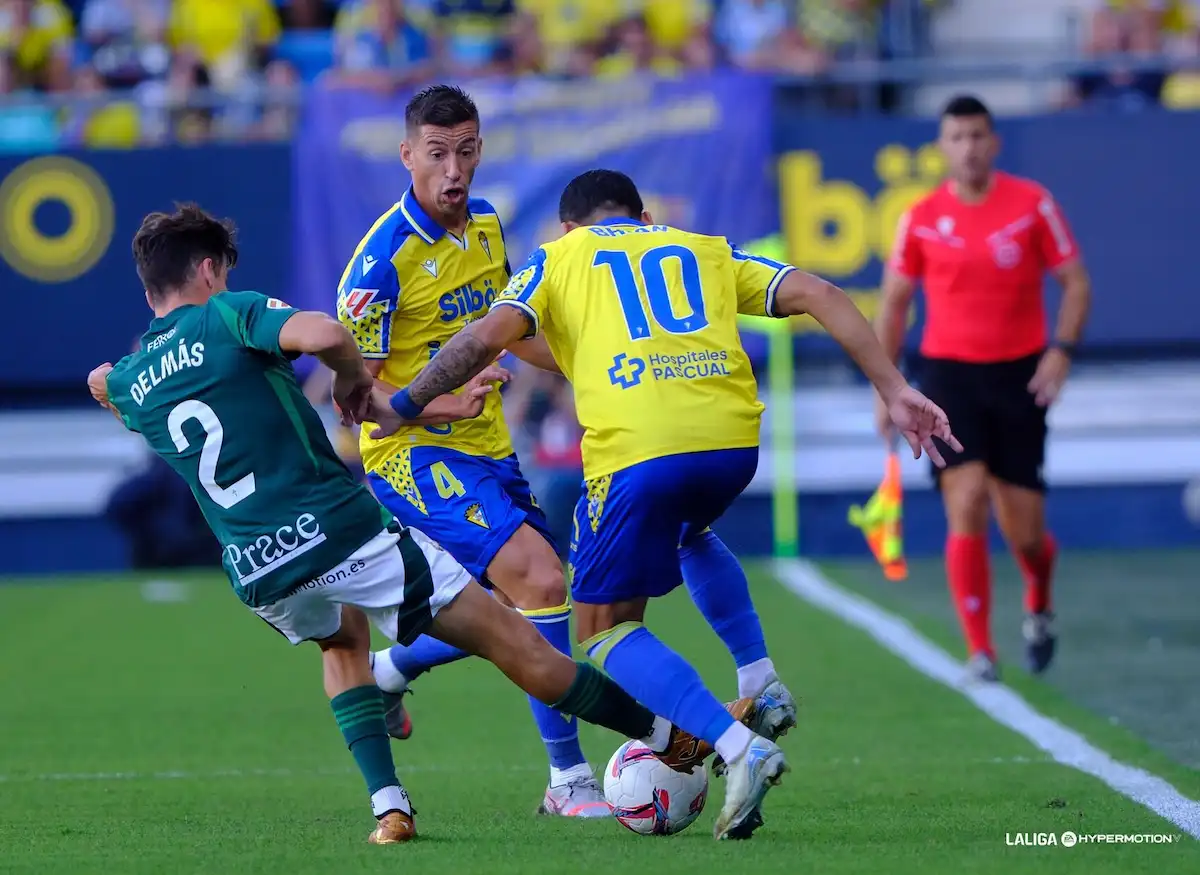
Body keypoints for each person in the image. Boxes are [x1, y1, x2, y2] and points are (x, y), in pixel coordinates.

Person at [85, 203, 756, 845]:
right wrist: (349, 372)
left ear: (150, 295)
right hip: (341, 531)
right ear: (208, 271)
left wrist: (438, 410)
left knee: (341, 642)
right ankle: (671, 736)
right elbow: (323, 334)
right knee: (512, 639)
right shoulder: (228, 314)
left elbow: (104, 383)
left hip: (260, 570)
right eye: (222, 275)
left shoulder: (135, 380)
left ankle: (389, 806)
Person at [363, 169, 960, 839]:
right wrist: (894, 388)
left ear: (567, 227)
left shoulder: (559, 258)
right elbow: (820, 292)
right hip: (734, 446)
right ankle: (758, 674)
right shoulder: (702, 246)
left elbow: (481, 338)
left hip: (639, 455)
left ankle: (735, 750)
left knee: (599, 628)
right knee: (688, 530)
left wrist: (404, 404)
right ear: (643, 216)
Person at [335, 84, 605, 817]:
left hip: (489, 447)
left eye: (467, 150)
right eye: (437, 154)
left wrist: (592, 366)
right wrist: (432, 398)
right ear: (407, 156)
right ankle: (570, 779)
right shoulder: (377, 267)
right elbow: (353, 393)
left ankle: (391, 668)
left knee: (516, 601)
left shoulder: (486, 225)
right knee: (544, 581)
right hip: (412, 456)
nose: (454, 169)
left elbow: (510, 329)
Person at [876, 95, 1091, 682]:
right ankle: (980, 650)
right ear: (943, 147)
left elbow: (1074, 283)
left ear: (993, 142)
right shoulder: (919, 216)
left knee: (1023, 529)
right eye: (957, 137)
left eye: (978, 135)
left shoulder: (1032, 203)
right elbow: (894, 305)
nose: (968, 147)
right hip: (949, 378)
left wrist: (1061, 351)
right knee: (965, 499)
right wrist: (885, 387)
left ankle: (1038, 598)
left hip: (1018, 374)